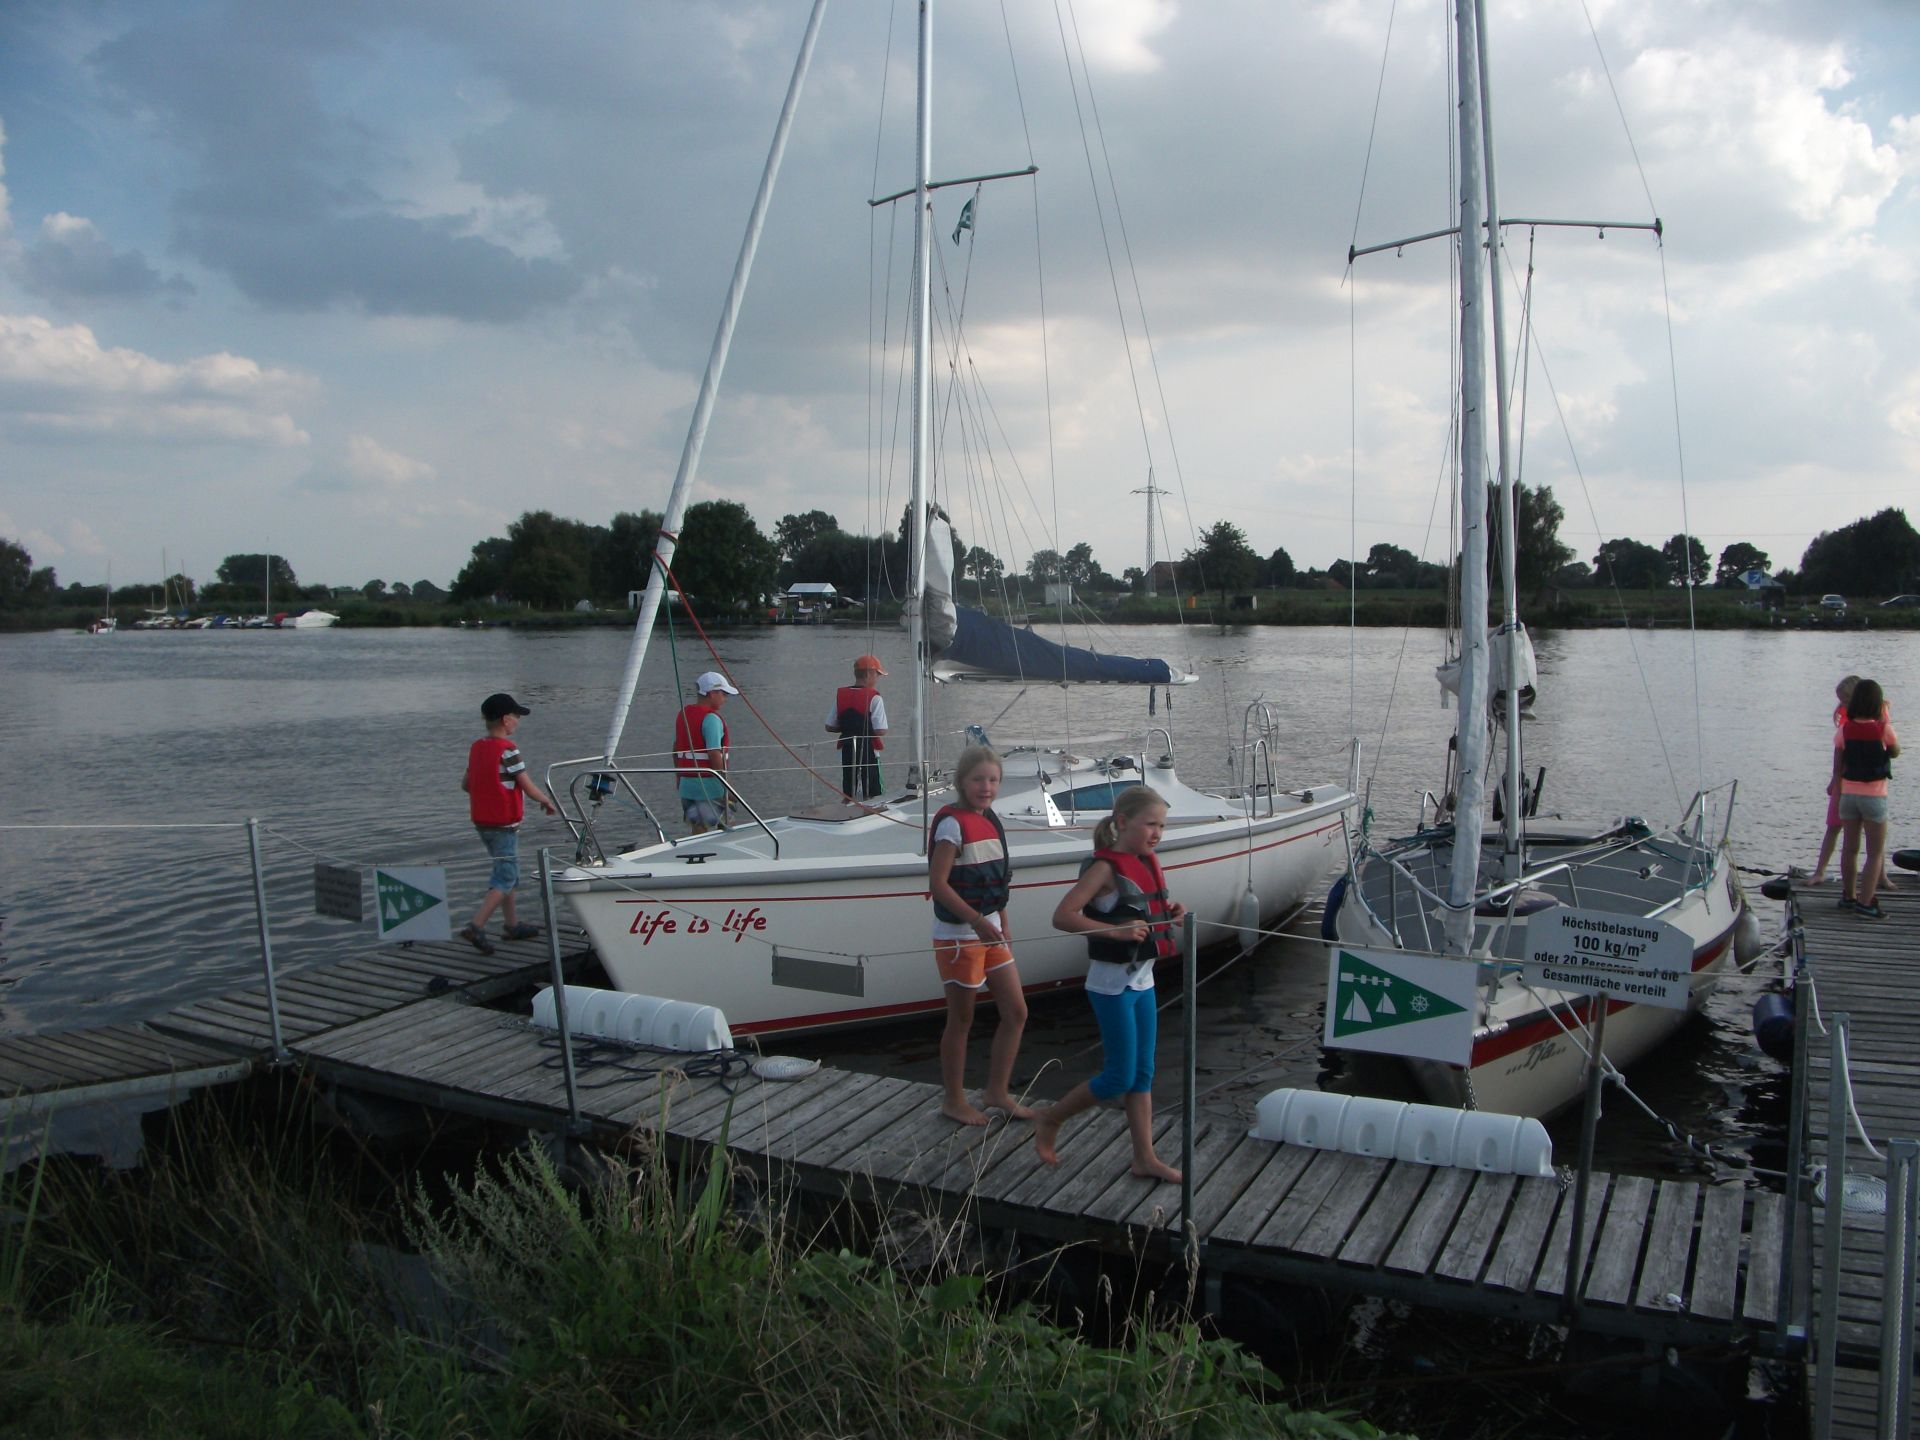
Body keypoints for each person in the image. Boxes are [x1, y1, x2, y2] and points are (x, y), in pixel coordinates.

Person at [1034, 784, 1185, 1182]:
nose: (1157, 833)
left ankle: (1144, 1158)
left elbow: (1143, 908)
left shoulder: (1144, 862)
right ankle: (1052, 1118)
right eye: (1150, 824)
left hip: (1143, 980)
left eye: (1162, 826)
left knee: (1143, 1073)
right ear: (1122, 822)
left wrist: (1169, 911)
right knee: (1119, 1075)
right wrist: (1113, 932)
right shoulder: (1104, 869)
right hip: (1111, 985)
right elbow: (1063, 916)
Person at [927, 744, 1032, 1125]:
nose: (986, 787)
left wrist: (1002, 920)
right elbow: (938, 884)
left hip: (989, 929)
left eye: (993, 780)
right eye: (978, 780)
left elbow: (995, 881)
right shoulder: (952, 825)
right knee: (962, 1018)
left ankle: (997, 1091)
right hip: (959, 934)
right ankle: (953, 1100)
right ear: (961, 782)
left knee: (1016, 1011)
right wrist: (976, 920)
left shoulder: (991, 820)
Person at [460, 691, 558, 956]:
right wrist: (546, 801)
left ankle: (511, 924)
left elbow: (466, 785)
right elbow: (526, 785)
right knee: (506, 876)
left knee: (506, 870)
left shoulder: (477, 748)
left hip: (482, 824)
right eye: (516, 716)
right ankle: (476, 926)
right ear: (506, 720)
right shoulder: (508, 750)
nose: (518, 721)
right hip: (503, 825)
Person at [1814, 675, 1895, 890]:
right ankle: (1820, 871)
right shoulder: (1847, 721)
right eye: (1841, 700)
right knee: (1835, 826)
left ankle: (1880, 877)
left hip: (1865, 786)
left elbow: (1888, 747)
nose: (1843, 704)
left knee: (1873, 837)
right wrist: (1834, 779)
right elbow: (1839, 752)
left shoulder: (1876, 720)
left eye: (1847, 700)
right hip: (1846, 782)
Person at [1833, 677, 1899, 919]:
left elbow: (1839, 761)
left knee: (1850, 848)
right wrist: (1885, 721)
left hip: (1849, 796)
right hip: (1874, 796)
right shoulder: (1882, 729)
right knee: (1874, 852)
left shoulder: (1845, 729)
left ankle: (1849, 896)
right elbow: (1895, 751)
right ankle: (1866, 902)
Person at [674, 671, 739, 834]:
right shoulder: (711, 719)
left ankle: (696, 849)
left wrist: (679, 777)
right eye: (723, 694)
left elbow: (675, 748)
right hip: (710, 786)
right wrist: (728, 787)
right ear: (712, 694)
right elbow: (714, 753)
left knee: (697, 827)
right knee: (727, 823)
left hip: (687, 785)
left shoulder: (683, 714)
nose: (725, 699)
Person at [825, 654, 889, 799]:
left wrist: (848, 728)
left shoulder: (841, 696)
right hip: (868, 747)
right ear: (868, 674)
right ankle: (874, 804)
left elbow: (829, 726)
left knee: (849, 781)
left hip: (847, 746)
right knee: (873, 785)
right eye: (877, 674)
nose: (878, 679)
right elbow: (881, 730)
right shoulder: (875, 698)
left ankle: (848, 802)